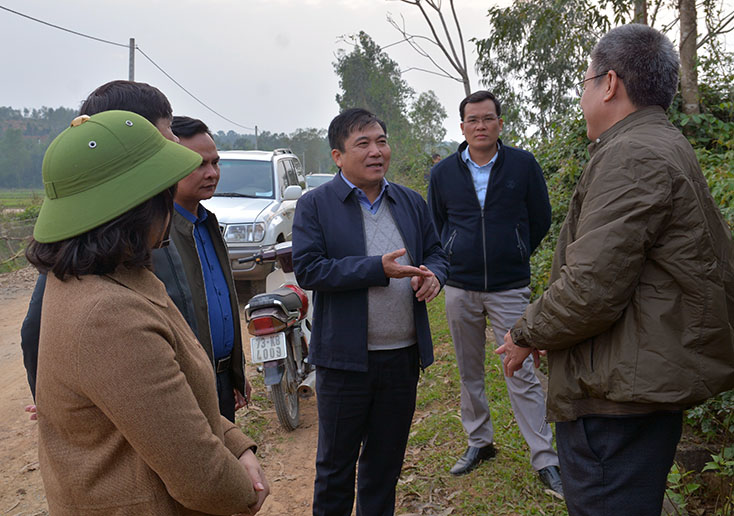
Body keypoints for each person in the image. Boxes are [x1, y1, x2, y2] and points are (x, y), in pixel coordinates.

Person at [498, 24, 734, 516]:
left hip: (616, 399)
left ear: (609, 84)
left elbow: (591, 288)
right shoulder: (658, 143)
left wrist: (526, 332)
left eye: (585, 81)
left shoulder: (632, 154)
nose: (584, 94)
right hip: (635, 380)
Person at [26, 110, 268, 515]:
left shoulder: (113, 275)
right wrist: (247, 492)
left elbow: (180, 398)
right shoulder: (109, 315)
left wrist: (237, 445)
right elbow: (199, 474)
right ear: (138, 207)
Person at [20, 81, 248, 422]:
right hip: (159, 405)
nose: (174, 141)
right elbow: (36, 330)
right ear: (131, 135)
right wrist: (61, 404)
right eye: (167, 129)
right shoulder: (100, 238)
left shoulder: (168, 221)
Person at [292, 108, 448, 516]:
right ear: (338, 156)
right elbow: (309, 269)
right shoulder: (315, 205)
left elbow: (435, 251)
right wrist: (375, 268)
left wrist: (435, 275)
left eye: (381, 141)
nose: (376, 151)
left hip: (401, 357)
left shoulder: (409, 201)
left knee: (384, 466)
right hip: (345, 363)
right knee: (335, 467)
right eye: (363, 143)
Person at [428, 90, 561, 494]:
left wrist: (515, 250)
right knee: (470, 371)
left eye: (489, 119)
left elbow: (541, 217)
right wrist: (452, 259)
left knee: (521, 369)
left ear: (500, 124)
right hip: (461, 286)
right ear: (462, 126)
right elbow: (437, 225)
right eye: (473, 120)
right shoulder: (443, 173)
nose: (481, 126)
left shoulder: (522, 164)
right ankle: (479, 442)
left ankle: (546, 458)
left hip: (509, 287)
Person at [169, 115, 247, 422]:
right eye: (199, 164)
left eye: (215, 163)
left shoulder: (207, 224)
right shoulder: (155, 236)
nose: (211, 173)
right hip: (183, 388)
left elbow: (223, 301)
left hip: (220, 378)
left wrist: (235, 374)